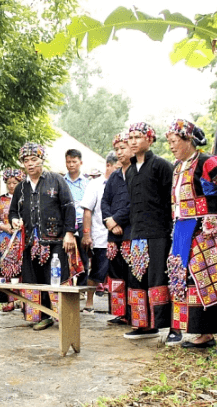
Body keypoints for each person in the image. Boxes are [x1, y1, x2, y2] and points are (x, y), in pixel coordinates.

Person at [164, 119, 217, 354]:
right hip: (183, 231)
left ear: (188, 140)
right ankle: (204, 333)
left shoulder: (209, 161)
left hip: (206, 231)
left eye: (174, 141)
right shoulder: (178, 166)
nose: (172, 146)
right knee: (192, 282)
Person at [9, 142, 77, 331]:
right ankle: (41, 316)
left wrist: (69, 233)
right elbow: (13, 211)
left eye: (34, 159)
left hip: (55, 239)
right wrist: (15, 220)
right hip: (31, 241)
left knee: (55, 278)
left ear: (42, 160)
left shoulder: (56, 180)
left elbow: (68, 207)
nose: (30, 164)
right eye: (26, 161)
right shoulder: (21, 187)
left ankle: (64, 316)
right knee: (34, 279)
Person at [124, 122, 175, 340]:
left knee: (161, 278)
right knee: (137, 278)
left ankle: (173, 327)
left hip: (159, 233)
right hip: (137, 234)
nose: (133, 141)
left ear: (150, 140)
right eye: (130, 137)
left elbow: (171, 201)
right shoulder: (129, 171)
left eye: (138, 137)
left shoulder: (162, 165)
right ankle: (143, 325)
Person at [80, 152, 120, 313]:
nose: (119, 171)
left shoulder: (124, 182)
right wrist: (87, 234)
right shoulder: (95, 185)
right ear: (108, 165)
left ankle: (118, 309)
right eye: (116, 167)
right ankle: (89, 302)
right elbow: (87, 211)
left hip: (119, 237)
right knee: (97, 271)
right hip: (101, 237)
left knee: (118, 275)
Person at [101, 133, 134, 325]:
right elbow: (105, 201)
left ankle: (134, 314)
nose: (120, 152)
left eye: (123, 148)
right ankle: (120, 313)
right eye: (117, 149)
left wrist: (116, 220)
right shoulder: (114, 176)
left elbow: (134, 202)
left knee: (132, 275)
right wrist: (109, 222)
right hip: (112, 234)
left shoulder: (138, 173)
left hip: (131, 231)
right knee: (115, 274)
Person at [0, 168, 25, 312]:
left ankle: (23, 301)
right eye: (9, 183)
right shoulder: (0, 200)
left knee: (22, 268)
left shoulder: (25, 198)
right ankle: (10, 301)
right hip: (5, 239)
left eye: (15, 183)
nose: (11, 185)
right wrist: (3, 226)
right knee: (6, 270)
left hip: (20, 238)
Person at [64, 149, 90, 287]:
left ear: (80, 162)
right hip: (66, 224)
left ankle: (81, 288)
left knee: (83, 257)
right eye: (68, 162)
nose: (71, 164)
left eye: (74, 161)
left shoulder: (87, 183)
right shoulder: (61, 182)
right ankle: (67, 287)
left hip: (81, 223)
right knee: (66, 256)